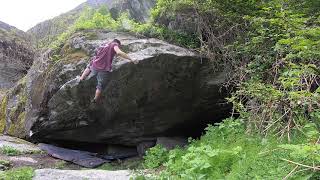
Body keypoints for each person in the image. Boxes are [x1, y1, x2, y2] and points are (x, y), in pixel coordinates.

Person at [78, 39, 138, 103]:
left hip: (94, 66)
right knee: (100, 86)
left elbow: (96, 55)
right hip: (103, 69)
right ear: (117, 43)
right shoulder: (115, 44)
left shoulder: (103, 45)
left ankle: (81, 78)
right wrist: (131, 59)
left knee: (89, 66)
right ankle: (95, 100)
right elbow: (119, 52)